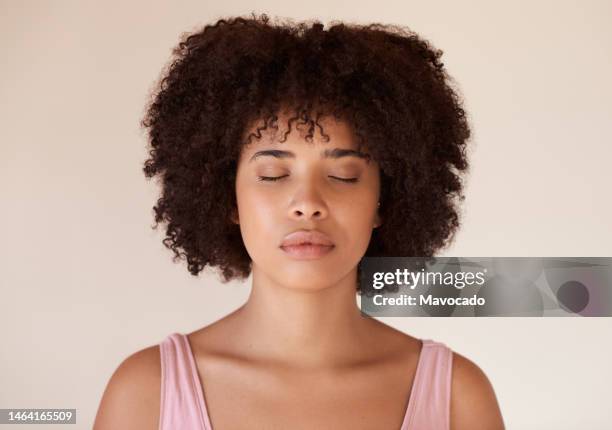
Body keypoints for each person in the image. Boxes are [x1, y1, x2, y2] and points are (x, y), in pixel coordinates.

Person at [94, 13, 505, 429]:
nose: (308, 204)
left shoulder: (458, 399)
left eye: (343, 176)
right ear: (227, 197)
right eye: (273, 175)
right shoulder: (145, 394)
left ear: (384, 200)